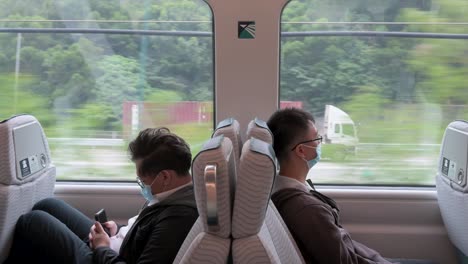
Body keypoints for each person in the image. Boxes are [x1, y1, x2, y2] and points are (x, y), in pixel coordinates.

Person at [5, 127, 198, 264]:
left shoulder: (179, 218)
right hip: (115, 247)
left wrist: (102, 248)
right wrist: (117, 230)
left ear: (165, 176)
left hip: (108, 257)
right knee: (47, 205)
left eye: (142, 180)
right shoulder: (172, 193)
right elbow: (148, 231)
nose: (142, 186)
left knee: (33, 222)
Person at [267, 108, 435, 264]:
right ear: (301, 151)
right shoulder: (306, 209)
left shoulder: (286, 191)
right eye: (317, 139)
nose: (320, 144)